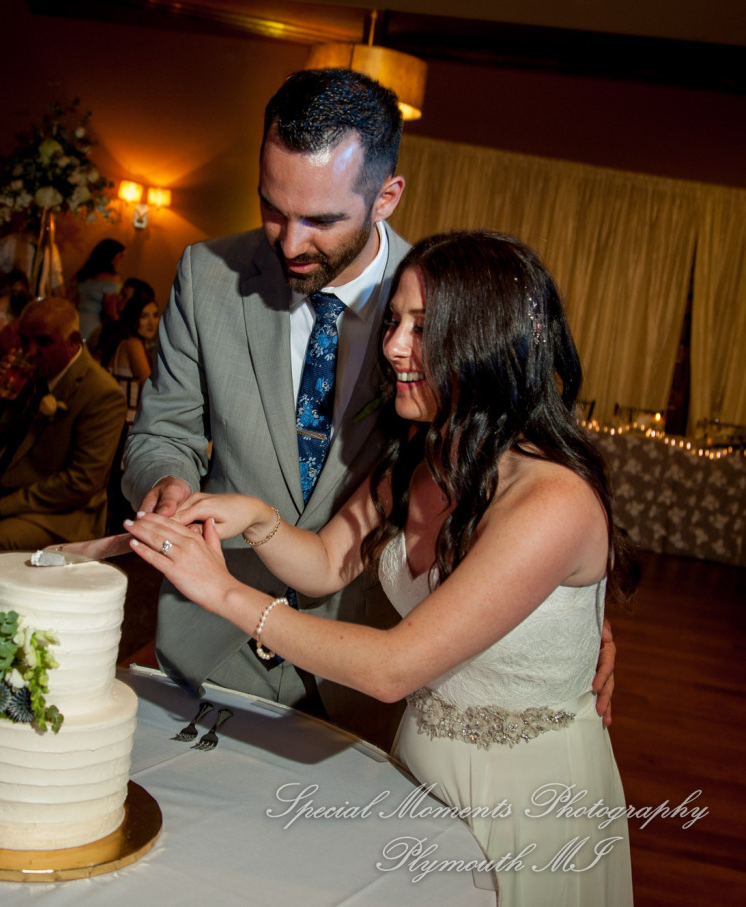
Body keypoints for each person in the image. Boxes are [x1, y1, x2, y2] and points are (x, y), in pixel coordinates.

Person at [125, 230, 635, 906]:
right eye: (394, 321)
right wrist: (254, 517)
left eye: (423, 328)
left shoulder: (552, 501)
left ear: (486, 339)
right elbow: (326, 562)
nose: (393, 346)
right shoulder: (425, 455)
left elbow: (392, 668)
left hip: (525, 798)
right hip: (417, 767)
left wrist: (223, 591)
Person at [122, 68, 616, 747]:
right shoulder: (208, 275)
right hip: (213, 647)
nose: (290, 242)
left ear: (386, 196)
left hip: (372, 664)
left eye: (322, 220)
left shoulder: (446, 298)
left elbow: (523, 479)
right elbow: (166, 433)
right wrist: (181, 493)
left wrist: (566, 613)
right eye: (273, 208)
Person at [0, 299, 126, 552]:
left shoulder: (101, 393)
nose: (30, 351)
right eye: (24, 340)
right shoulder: (34, 373)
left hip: (64, 516)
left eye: (42, 342)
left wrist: (3, 507)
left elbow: (81, 482)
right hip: (9, 491)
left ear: (73, 341)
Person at [97, 292, 160, 531]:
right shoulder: (133, 344)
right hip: (125, 426)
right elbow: (150, 386)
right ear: (134, 318)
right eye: (144, 316)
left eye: (155, 315)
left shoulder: (126, 342)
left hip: (117, 424)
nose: (151, 322)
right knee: (121, 493)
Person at [72, 239, 124, 340]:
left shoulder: (85, 274)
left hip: (77, 319)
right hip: (94, 323)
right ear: (112, 258)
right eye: (120, 256)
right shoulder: (112, 278)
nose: (122, 261)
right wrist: (118, 323)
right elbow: (110, 308)